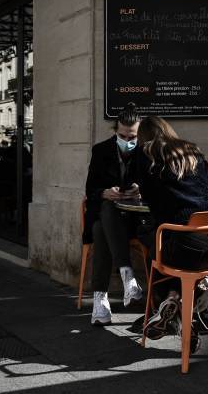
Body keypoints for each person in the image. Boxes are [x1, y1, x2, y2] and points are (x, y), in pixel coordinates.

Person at [134, 116, 208, 353]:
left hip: (182, 244)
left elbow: (150, 200)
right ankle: (176, 302)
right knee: (173, 246)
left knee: (152, 237)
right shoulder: (193, 150)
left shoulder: (146, 153)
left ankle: (165, 302)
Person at [84, 103, 146, 326]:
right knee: (105, 218)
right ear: (115, 131)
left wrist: (140, 188)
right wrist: (105, 192)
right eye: (123, 136)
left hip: (134, 220)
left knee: (102, 229)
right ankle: (127, 277)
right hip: (107, 213)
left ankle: (100, 300)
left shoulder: (144, 151)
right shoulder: (101, 151)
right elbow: (90, 190)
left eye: (133, 137)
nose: (128, 141)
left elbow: (154, 186)